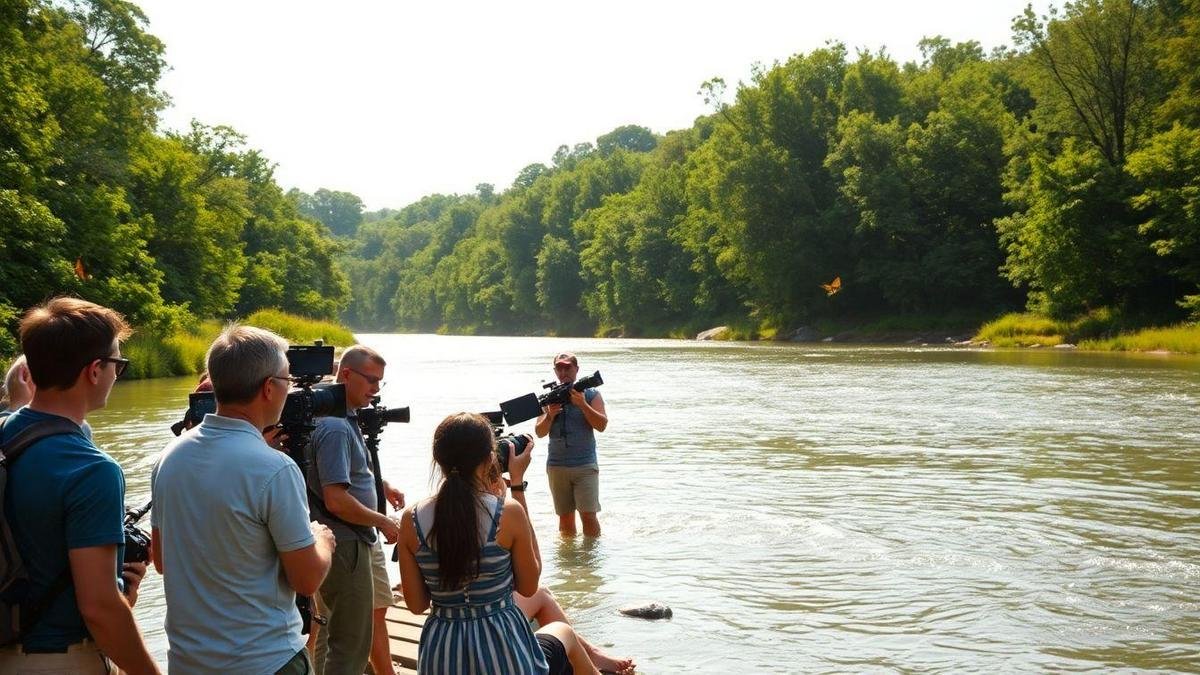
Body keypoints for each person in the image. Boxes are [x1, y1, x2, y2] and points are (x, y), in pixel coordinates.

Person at [151, 325, 336, 674]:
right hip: (265, 661)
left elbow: (161, 560)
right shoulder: (274, 468)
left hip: (188, 662)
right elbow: (307, 580)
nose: (290, 390)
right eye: (288, 381)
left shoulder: (169, 458)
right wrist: (322, 541)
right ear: (269, 388)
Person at [0, 298, 159, 674]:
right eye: (118, 365)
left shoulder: (5, 434)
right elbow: (100, 608)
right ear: (94, 370)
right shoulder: (91, 469)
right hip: (59, 660)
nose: (116, 375)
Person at [396, 413, 599, 674]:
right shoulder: (507, 512)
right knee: (564, 632)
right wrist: (516, 486)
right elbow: (528, 586)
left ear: (439, 460)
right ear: (491, 458)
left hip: (442, 656)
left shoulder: (410, 520)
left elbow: (416, 605)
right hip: (506, 655)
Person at [306, 345, 405, 675]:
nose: (376, 390)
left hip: (335, 541)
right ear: (346, 374)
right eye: (371, 381)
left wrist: (380, 486)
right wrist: (383, 521)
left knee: (332, 635)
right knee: (351, 646)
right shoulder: (334, 427)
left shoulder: (335, 419)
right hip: (347, 544)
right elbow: (335, 499)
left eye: (380, 382)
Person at [535, 352, 608, 536]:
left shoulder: (592, 395)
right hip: (556, 466)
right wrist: (550, 415)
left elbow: (602, 425)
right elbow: (540, 432)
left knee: (588, 516)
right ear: (555, 371)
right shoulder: (549, 398)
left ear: (576, 369)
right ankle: (569, 561)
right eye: (559, 367)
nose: (563, 371)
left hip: (585, 465)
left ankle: (591, 560)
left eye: (567, 367)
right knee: (565, 519)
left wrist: (582, 405)